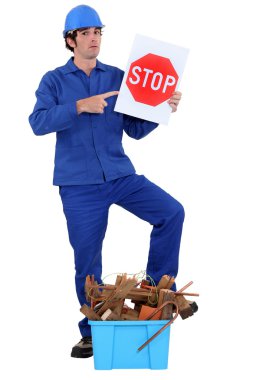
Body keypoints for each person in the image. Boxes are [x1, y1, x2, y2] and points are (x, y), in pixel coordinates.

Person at [29, 4, 184, 359]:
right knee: (88, 261)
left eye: (97, 32)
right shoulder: (53, 80)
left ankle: (157, 289)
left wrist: (162, 108)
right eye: (85, 33)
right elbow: (37, 123)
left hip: (119, 175)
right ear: (70, 40)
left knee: (171, 212)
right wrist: (80, 106)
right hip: (78, 185)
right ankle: (91, 332)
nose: (93, 38)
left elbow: (135, 129)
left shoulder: (117, 76)